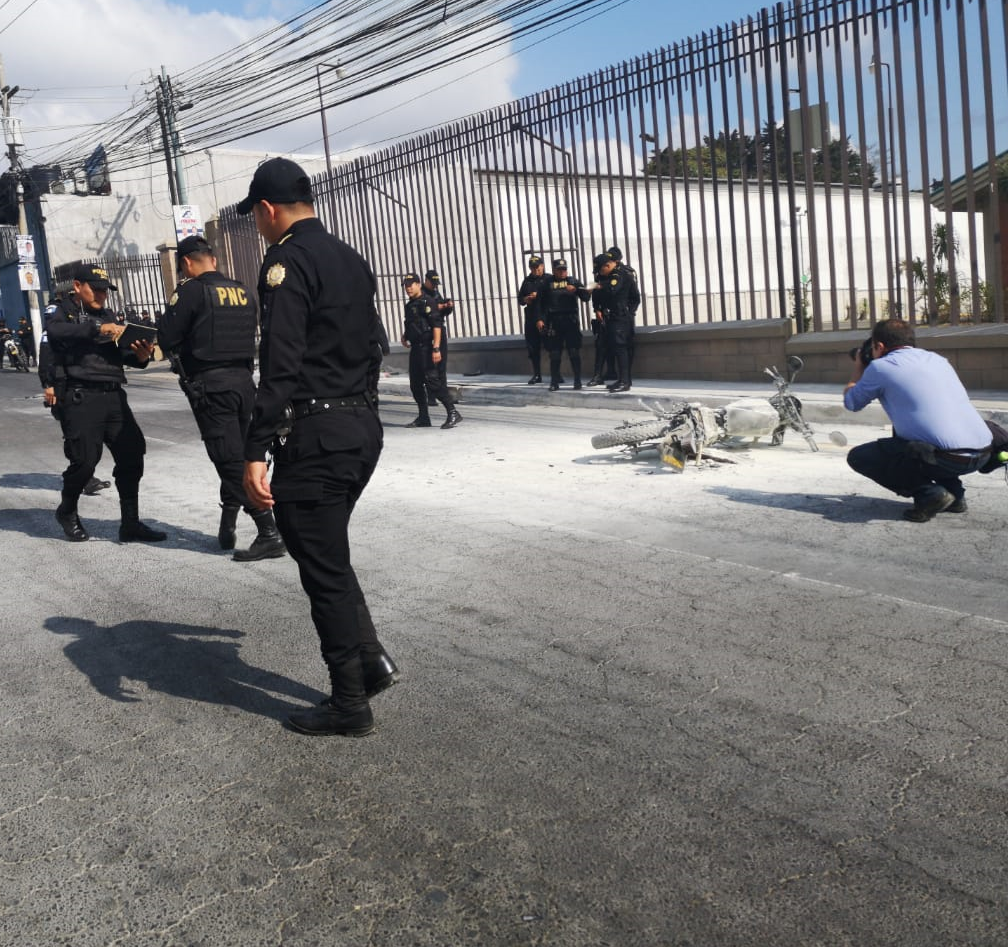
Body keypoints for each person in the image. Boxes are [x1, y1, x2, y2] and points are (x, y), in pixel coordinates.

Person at [238, 156, 399, 737]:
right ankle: (371, 660)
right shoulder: (350, 257)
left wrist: (254, 450)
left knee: (322, 570)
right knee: (326, 552)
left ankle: (349, 703)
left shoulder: (286, 262)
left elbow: (279, 364)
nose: (258, 226)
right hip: (360, 428)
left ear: (267, 209)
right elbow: (375, 345)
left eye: (256, 217)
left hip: (317, 436)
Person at [158, 235, 285, 562]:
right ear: (213, 259)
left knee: (228, 460)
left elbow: (167, 337)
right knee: (241, 454)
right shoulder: (242, 291)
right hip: (244, 383)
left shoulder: (190, 291)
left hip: (212, 388)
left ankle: (268, 532)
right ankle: (228, 521)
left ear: (186, 263)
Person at [45, 264, 165, 543]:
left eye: (105, 290)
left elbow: (123, 355)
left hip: (113, 395)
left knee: (132, 455)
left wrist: (141, 356)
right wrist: (98, 328)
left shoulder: (108, 315)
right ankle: (67, 511)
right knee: (84, 463)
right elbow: (56, 332)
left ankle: (130, 523)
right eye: (96, 289)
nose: (101, 295)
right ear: (77, 286)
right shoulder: (61, 311)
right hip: (81, 396)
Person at [844, 319, 992, 522]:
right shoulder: (938, 360)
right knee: (918, 436)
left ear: (879, 346)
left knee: (859, 457)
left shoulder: (880, 368)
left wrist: (858, 369)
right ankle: (956, 496)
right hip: (983, 452)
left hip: (947, 458)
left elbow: (852, 403)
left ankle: (929, 494)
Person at [39, 292, 110, 497]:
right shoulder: (54, 326)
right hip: (60, 385)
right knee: (72, 433)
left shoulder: (79, 322)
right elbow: (46, 353)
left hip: (76, 383)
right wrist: (48, 384)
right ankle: (83, 478)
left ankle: (84, 475)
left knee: (84, 433)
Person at [401, 272, 462, 429]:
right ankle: (423, 417)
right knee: (415, 384)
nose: (408, 288)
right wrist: (405, 336)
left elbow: (436, 326)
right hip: (416, 348)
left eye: (410, 285)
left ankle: (453, 412)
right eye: (406, 286)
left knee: (433, 382)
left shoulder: (428, 301)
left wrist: (436, 348)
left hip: (428, 348)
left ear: (418, 284)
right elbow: (410, 323)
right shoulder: (409, 305)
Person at [537, 258, 591, 391]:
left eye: (564, 269)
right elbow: (540, 303)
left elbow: (586, 297)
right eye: (559, 270)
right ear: (554, 270)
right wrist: (540, 319)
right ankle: (554, 382)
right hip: (554, 321)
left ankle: (577, 380)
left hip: (570, 320)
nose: (562, 272)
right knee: (555, 353)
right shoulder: (547, 283)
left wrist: (577, 290)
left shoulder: (573, 281)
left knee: (574, 351)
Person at [592, 252, 641, 392]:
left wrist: (629, 313)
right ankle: (622, 380)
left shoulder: (619, 275)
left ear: (608, 265)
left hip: (620, 317)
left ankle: (624, 381)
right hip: (612, 317)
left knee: (621, 348)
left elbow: (614, 290)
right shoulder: (609, 276)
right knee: (616, 348)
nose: (600, 273)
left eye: (601, 269)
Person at [421, 269, 453, 403]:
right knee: (430, 366)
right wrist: (439, 306)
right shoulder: (421, 293)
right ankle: (431, 396)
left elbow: (442, 311)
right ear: (426, 281)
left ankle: (444, 395)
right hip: (428, 332)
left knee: (442, 364)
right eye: (432, 283)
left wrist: (448, 306)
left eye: (436, 283)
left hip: (439, 329)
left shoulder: (435, 293)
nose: (435, 286)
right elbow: (426, 310)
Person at [517, 255, 545, 384]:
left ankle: (557, 374)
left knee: (552, 346)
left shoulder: (548, 279)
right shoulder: (527, 281)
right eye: (532, 268)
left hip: (546, 317)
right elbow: (520, 299)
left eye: (537, 267)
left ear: (542, 266)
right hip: (531, 318)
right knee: (533, 347)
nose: (535, 270)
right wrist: (525, 299)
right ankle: (537, 374)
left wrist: (539, 295)